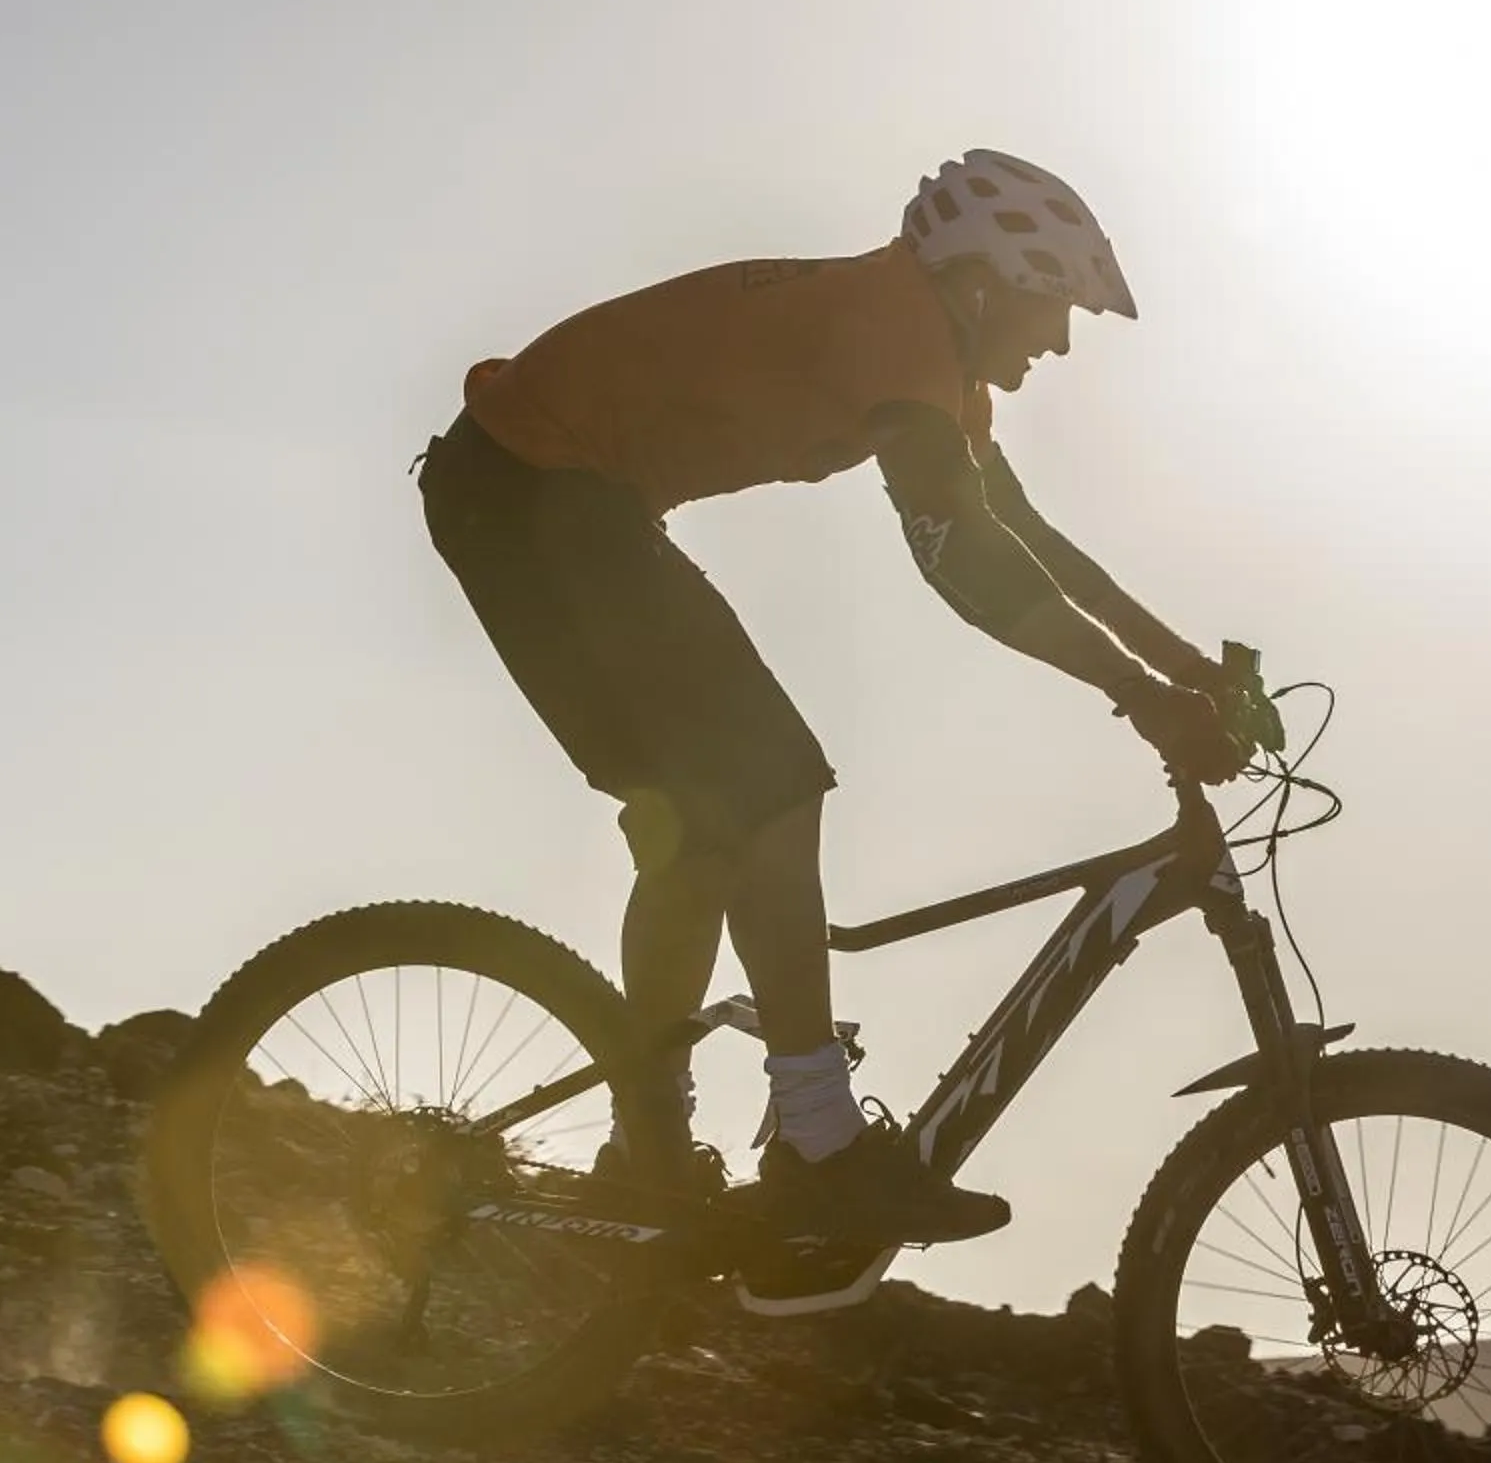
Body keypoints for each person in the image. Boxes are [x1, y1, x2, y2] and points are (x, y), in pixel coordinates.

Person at [417, 150, 1246, 1249]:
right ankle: (820, 1144)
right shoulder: (893, 327)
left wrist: (1184, 666)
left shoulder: (928, 359)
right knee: (772, 775)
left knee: (703, 833)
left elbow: (1026, 536)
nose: (1056, 341)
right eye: (1052, 307)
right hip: (530, 496)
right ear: (986, 281)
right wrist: (1140, 695)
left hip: (551, 506)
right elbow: (963, 562)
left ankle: (650, 1156)